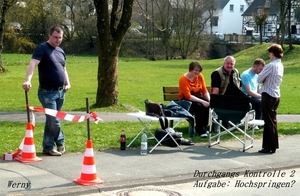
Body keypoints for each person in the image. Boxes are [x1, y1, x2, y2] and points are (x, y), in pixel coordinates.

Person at [22, 26, 71, 156]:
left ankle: (48, 147)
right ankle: (60, 142)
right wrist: (28, 80)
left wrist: (67, 82)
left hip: (61, 92)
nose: (58, 40)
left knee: (51, 120)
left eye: (60, 38)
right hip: (47, 92)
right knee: (53, 120)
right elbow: (33, 64)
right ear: (49, 35)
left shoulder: (60, 51)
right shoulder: (42, 48)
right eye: (55, 37)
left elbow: (63, 69)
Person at [257, 44, 284, 154]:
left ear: (273, 53)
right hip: (276, 94)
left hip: (268, 94)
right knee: (273, 120)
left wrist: (264, 80)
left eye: (270, 53)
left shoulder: (271, 65)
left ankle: (268, 146)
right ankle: (273, 145)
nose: (269, 55)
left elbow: (259, 78)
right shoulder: (280, 65)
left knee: (268, 121)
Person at [210, 56, 245, 130]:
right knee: (227, 105)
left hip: (235, 98)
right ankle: (226, 125)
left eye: (231, 64)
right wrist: (215, 103)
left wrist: (241, 98)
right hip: (223, 98)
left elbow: (240, 86)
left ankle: (235, 123)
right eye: (227, 63)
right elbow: (215, 90)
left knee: (248, 105)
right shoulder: (217, 73)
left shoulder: (236, 72)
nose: (229, 65)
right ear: (224, 63)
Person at [179, 62, 210, 138]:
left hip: (196, 98)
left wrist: (209, 101)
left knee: (207, 106)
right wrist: (203, 101)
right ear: (190, 69)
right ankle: (201, 131)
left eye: (199, 71)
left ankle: (202, 127)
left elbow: (204, 90)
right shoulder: (183, 79)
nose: (197, 72)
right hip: (185, 101)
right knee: (198, 106)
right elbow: (188, 96)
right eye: (195, 70)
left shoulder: (200, 76)